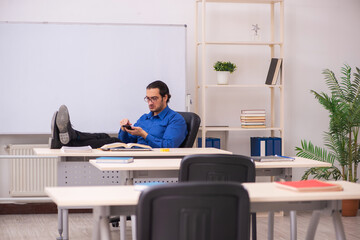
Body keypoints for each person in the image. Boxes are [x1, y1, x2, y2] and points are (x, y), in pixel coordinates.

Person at [50, 80, 188, 149]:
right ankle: (72, 135)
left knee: (113, 142)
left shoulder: (176, 120)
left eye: (154, 98)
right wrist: (124, 129)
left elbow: (169, 146)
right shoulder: (145, 117)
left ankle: (66, 142)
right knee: (104, 136)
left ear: (165, 97)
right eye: (148, 98)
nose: (150, 103)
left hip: (148, 155)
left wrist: (144, 134)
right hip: (133, 149)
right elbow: (127, 140)